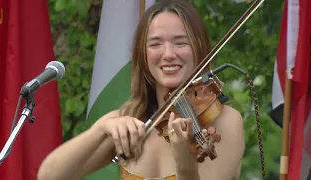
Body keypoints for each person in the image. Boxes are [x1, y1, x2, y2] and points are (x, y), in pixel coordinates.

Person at [37, 0, 245, 180]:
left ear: (199, 49)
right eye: (155, 44)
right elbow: (50, 175)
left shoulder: (225, 122)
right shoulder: (130, 121)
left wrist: (184, 161)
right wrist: (100, 131)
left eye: (180, 42)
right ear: (143, 56)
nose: (168, 54)